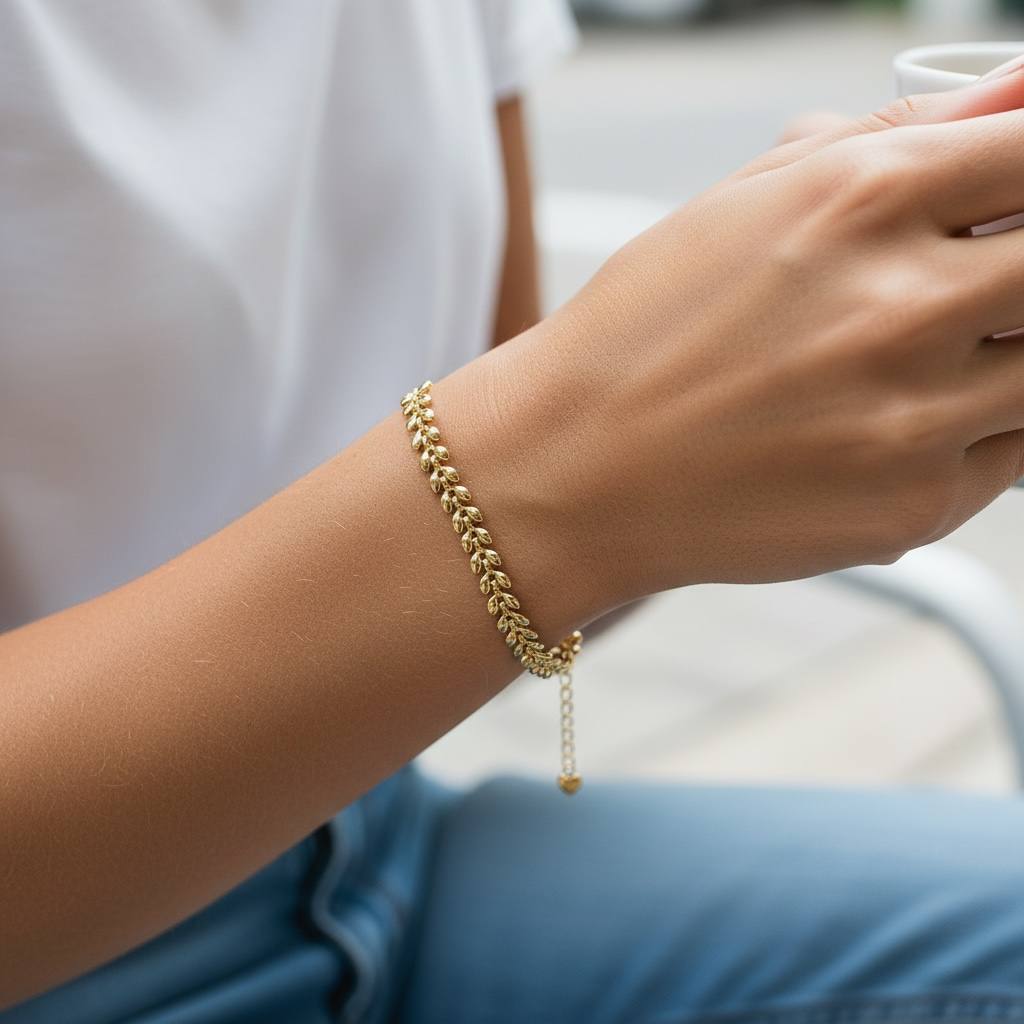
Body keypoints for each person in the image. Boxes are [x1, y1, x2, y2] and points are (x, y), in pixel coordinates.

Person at [4, 2, 1024, 1022]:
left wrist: (707, 377)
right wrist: (566, 469)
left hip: (375, 849)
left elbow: (519, 524)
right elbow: (528, 493)